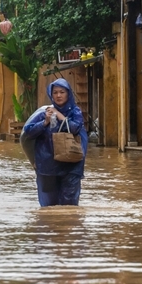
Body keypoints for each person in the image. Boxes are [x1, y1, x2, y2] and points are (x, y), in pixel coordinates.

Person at [22, 79, 87, 207]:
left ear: (68, 94)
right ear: (51, 95)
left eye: (62, 92)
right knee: (48, 207)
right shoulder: (43, 113)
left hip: (71, 166)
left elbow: (76, 129)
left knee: (70, 207)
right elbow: (28, 133)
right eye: (55, 92)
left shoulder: (75, 112)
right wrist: (44, 122)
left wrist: (59, 115)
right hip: (47, 166)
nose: (58, 95)